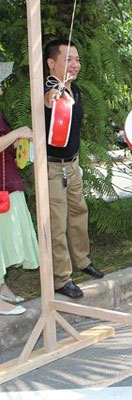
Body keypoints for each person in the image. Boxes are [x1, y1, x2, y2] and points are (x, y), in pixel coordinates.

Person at [44, 39, 103, 299]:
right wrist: (50, 99)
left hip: (73, 164)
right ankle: (60, 278)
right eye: (68, 59)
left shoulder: (74, 90)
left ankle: (82, 260)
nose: (76, 64)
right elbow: (48, 102)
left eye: (77, 59)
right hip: (51, 167)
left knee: (79, 212)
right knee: (57, 222)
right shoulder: (49, 89)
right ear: (51, 63)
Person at [0, 115, 38, 315]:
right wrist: (18, 133)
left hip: (7, 181)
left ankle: (1, 288)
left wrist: (14, 142)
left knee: (5, 241)